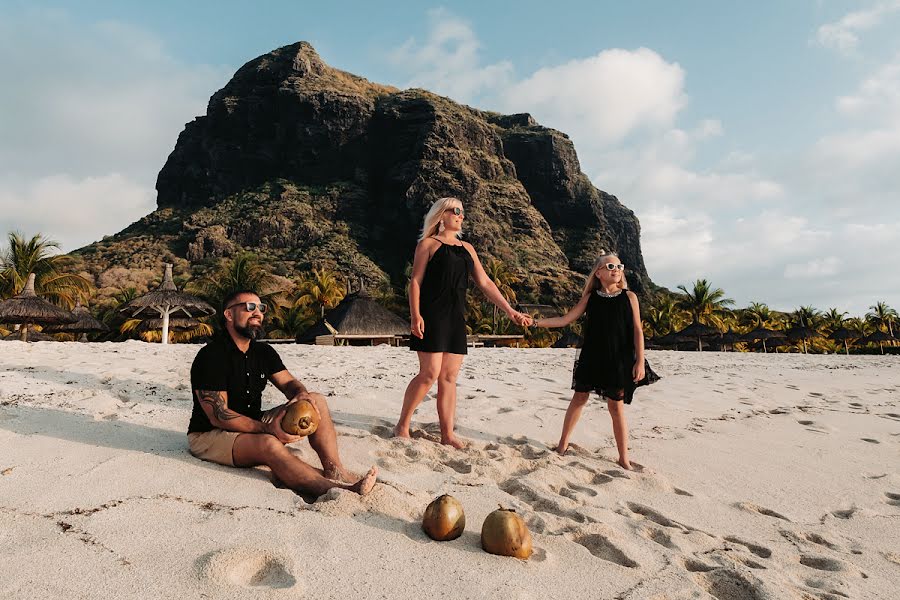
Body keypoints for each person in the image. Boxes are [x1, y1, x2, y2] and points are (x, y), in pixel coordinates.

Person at [187, 289, 378, 497]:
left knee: (316, 399)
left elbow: (289, 384)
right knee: (268, 443)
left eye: (261, 308)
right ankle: (335, 490)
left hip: (253, 421)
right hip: (210, 434)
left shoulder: (263, 352)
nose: (257, 313)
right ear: (229, 315)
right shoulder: (211, 356)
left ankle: (334, 469)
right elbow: (219, 416)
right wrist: (268, 430)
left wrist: (301, 395)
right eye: (249, 307)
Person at [393, 197, 531, 448]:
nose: (461, 215)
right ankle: (402, 424)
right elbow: (415, 281)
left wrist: (510, 310)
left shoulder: (467, 248)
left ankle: (447, 434)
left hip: (456, 317)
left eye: (462, 212)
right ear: (441, 214)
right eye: (456, 210)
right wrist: (415, 315)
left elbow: (486, 283)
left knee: (448, 377)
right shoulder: (428, 244)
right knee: (429, 374)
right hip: (432, 314)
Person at [532, 250, 658, 469]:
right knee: (579, 398)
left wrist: (640, 361)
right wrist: (534, 323)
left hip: (619, 358)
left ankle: (623, 458)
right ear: (598, 273)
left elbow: (638, 330)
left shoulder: (629, 297)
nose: (616, 270)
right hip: (592, 356)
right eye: (610, 267)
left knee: (616, 407)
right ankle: (562, 445)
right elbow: (565, 319)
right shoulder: (590, 298)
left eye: (620, 267)